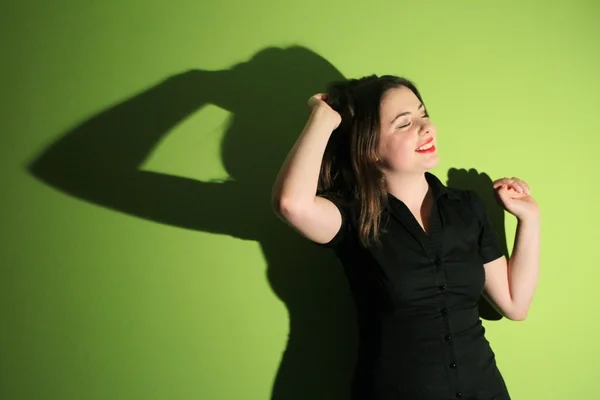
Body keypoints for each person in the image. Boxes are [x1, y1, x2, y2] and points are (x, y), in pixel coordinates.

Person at [271, 75, 540, 400]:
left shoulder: (466, 208)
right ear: (370, 149)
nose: (425, 127)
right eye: (404, 123)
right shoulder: (355, 218)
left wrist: (529, 217)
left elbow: (515, 304)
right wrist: (323, 118)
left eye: (423, 114)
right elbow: (291, 204)